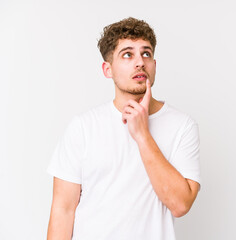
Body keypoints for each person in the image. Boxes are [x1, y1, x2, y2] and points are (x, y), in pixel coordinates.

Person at [46, 17, 201, 240]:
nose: (140, 62)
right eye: (127, 54)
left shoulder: (182, 126)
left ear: (154, 66)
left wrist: (142, 134)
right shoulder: (83, 127)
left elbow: (180, 204)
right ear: (107, 69)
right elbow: (63, 210)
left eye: (146, 53)